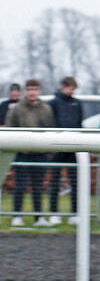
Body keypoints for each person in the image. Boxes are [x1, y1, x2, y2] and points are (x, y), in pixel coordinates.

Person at [5, 79, 55, 226]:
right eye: (29, 89)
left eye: (35, 89)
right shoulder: (17, 109)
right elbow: (10, 127)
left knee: (38, 187)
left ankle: (38, 217)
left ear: (39, 91)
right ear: (25, 91)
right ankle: (17, 216)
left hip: (40, 154)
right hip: (22, 154)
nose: (32, 92)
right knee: (20, 186)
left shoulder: (46, 109)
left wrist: (48, 151)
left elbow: (51, 129)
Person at [47, 76, 83, 225]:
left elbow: (79, 123)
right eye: (70, 88)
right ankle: (54, 213)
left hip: (73, 147)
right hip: (57, 147)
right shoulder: (54, 103)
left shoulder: (77, 103)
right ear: (63, 86)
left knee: (75, 182)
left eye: (73, 89)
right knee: (54, 181)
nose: (71, 91)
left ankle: (75, 213)